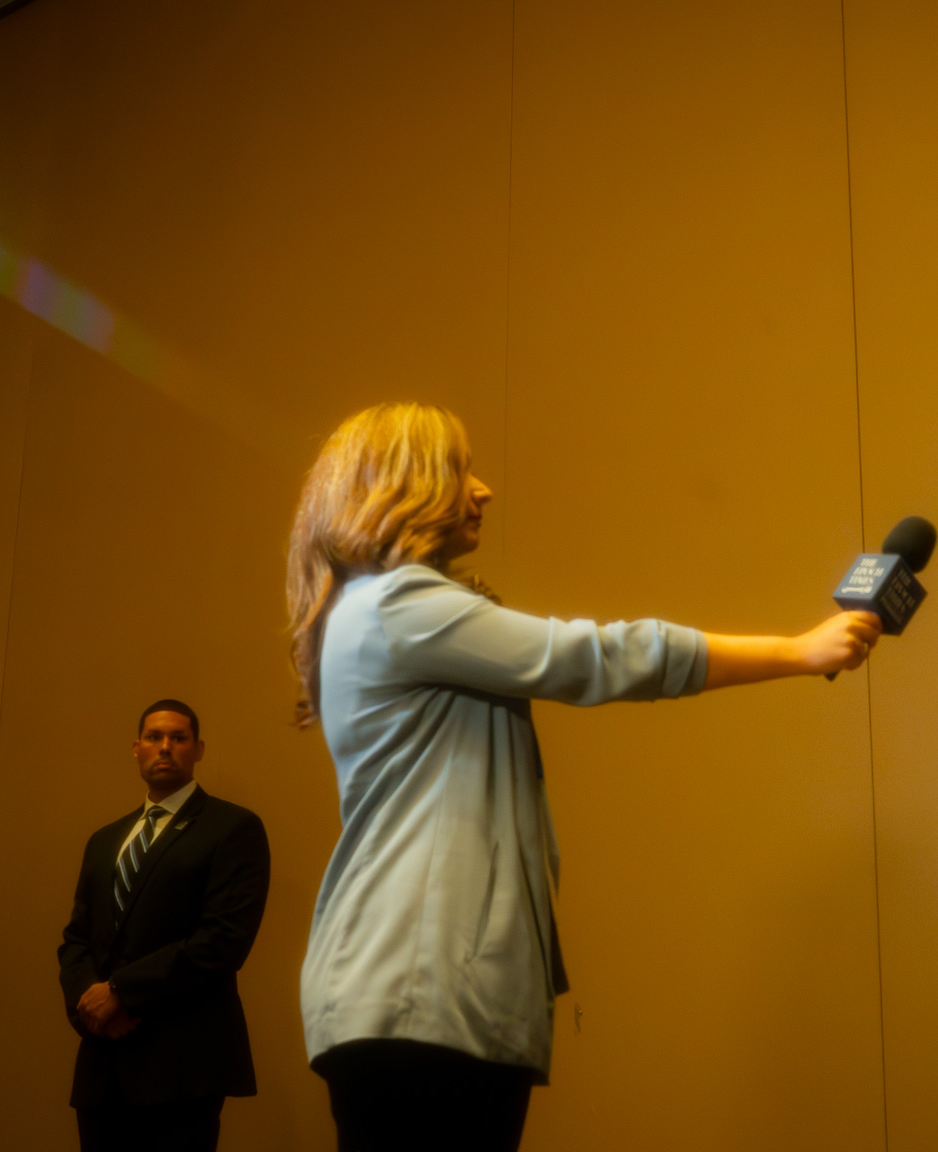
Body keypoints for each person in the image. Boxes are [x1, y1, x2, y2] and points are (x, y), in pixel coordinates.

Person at [288, 403, 882, 1151]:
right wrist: (798, 652)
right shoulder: (398, 606)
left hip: (409, 990)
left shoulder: (370, 610)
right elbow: (596, 658)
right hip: (418, 990)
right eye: (460, 470)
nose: (484, 489)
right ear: (405, 485)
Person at [57, 700, 271, 1152]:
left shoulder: (233, 828)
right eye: (154, 737)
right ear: (136, 749)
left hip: (183, 1063)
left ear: (198, 750)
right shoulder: (105, 839)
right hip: (103, 1063)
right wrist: (89, 1010)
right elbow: (77, 938)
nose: (165, 747)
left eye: (179, 738)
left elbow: (223, 941)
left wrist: (120, 990)